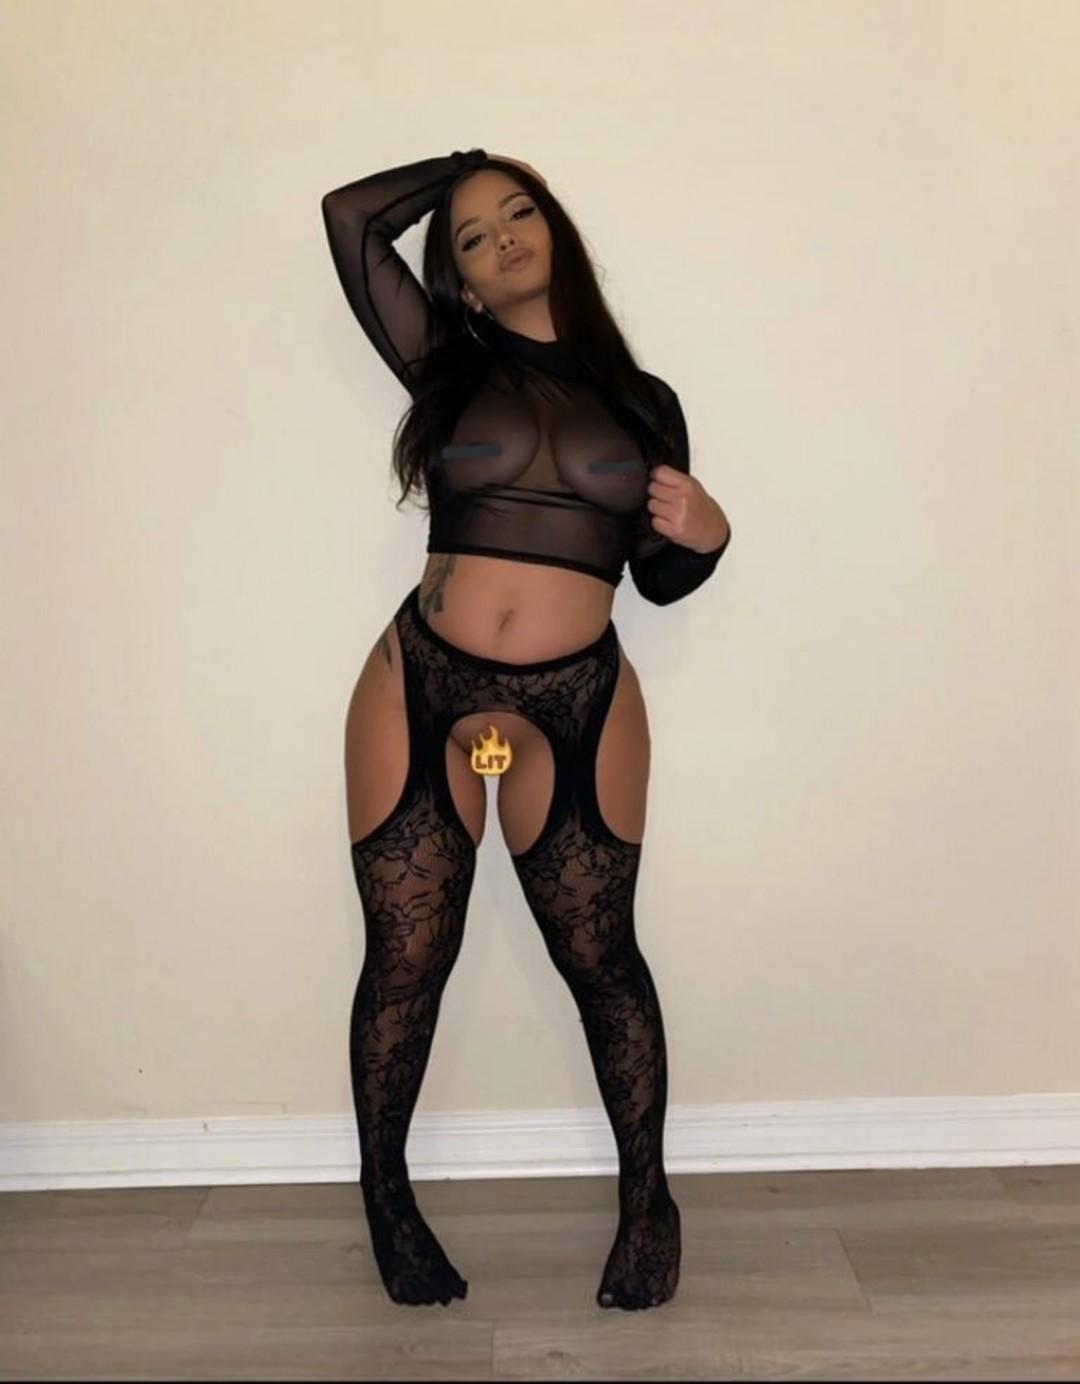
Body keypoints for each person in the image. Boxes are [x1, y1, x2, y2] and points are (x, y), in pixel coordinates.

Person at [320, 148, 731, 1311]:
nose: (501, 235)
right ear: (458, 280)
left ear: (555, 226)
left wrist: (707, 535)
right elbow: (350, 220)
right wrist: (464, 162)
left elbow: (658, 578)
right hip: (422, 680)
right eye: (471, 236)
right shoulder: (444, 365)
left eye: (518, 210)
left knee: (600, 956)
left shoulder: (644, 403)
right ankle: (387, 1198)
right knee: (407, 955)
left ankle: (648, 1201)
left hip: (577, 699)